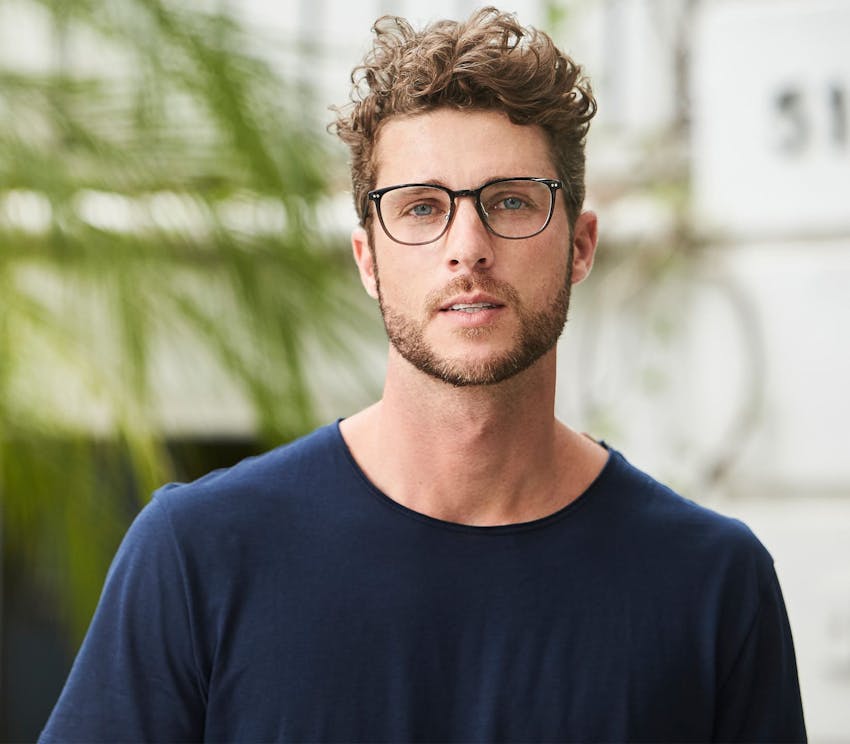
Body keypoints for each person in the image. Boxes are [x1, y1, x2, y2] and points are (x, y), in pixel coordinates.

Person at [40, 7, 806, 742]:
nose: (467, 246)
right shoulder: (199, 556)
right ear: (368, 260)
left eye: (510, 202)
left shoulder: (710, 585)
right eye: (420, 208)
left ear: (580, 245)